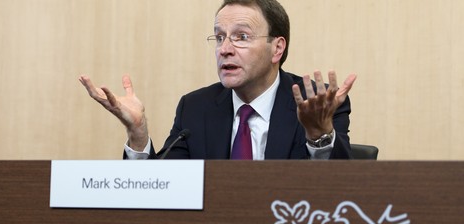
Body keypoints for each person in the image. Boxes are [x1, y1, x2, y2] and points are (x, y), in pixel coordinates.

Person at [79, 0, 357, 160]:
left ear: (277, 48)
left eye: (241, 37)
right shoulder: (196, 108)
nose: (225, 48)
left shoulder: (317, 105)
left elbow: (341, 193)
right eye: (220, 36)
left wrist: (319, 133)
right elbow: (161, 190)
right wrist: (138, 134)